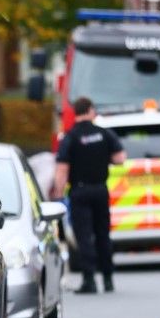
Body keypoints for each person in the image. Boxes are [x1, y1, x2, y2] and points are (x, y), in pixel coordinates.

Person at [51, 97, 126, 293]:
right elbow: (120, 158)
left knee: (84, 236)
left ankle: (89, 280)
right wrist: (103, 158)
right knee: (103, 234)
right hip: (100, 190)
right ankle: (108, 279)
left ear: (76, 112)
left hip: (80, 191)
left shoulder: (70, 137)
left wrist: (58, 193)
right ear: (91, 110)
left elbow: (62, 169)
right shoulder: (104, 134)